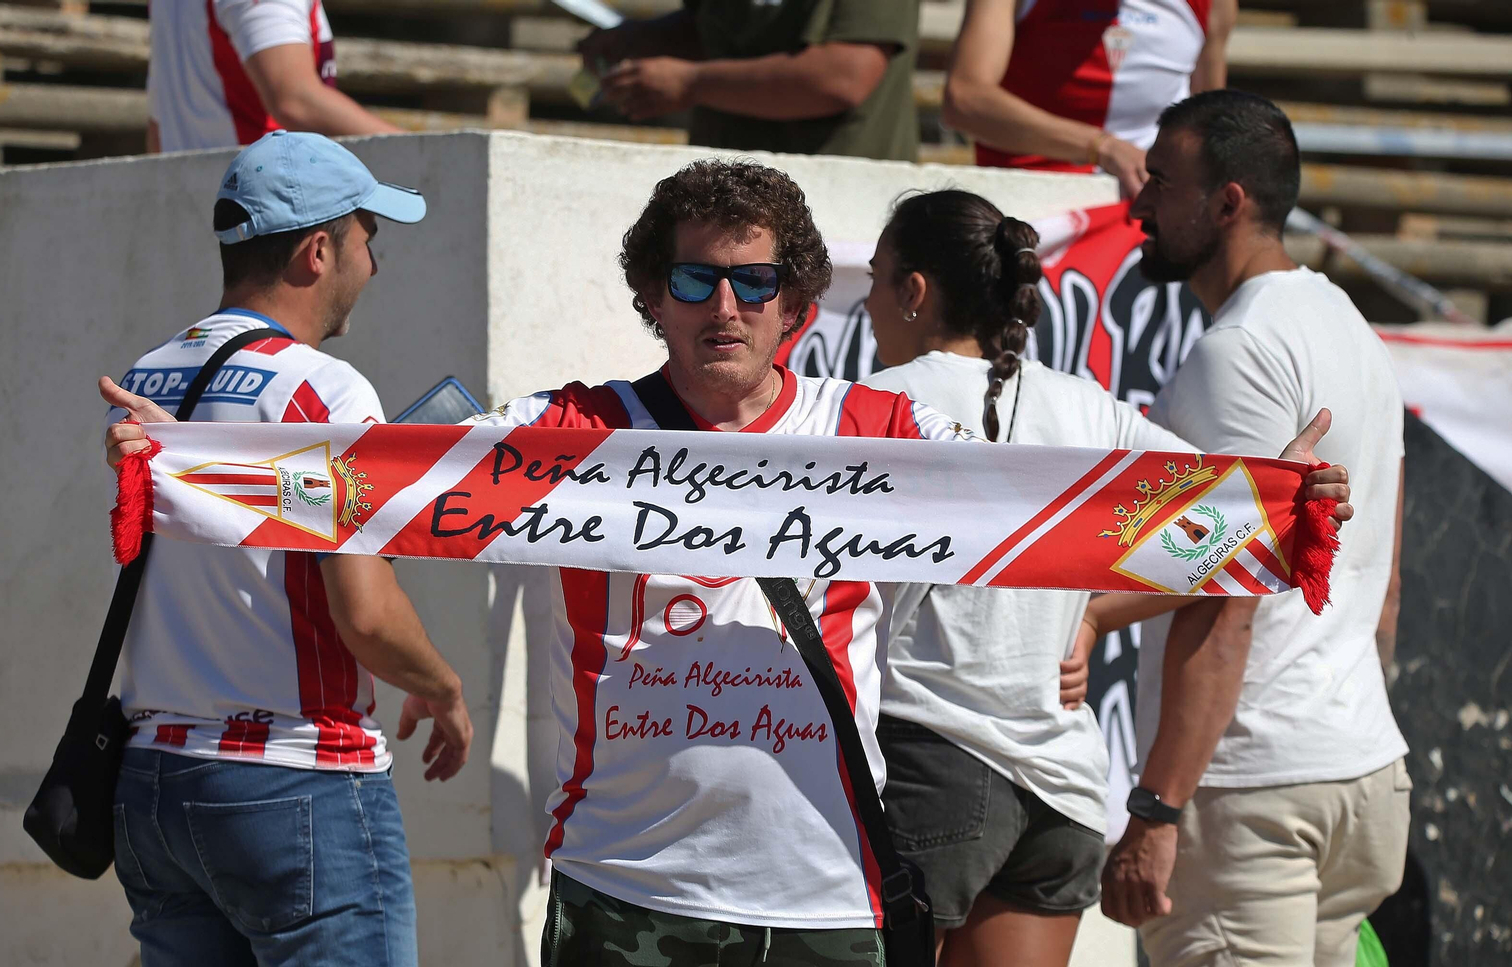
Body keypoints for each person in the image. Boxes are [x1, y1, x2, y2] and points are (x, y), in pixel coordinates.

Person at [104, 158, 1350, 967]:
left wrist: (1273, 507)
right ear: (652, 293)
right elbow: (380, 479)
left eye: (757, 282)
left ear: (800, 304)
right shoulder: (566, 432)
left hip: (830, 901)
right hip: (625, 894)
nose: (726, 304)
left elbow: (1065, 511)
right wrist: (194, 459)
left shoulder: (887, 432)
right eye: (695, 277)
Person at [858, 189, 1347, 967]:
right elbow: (1231, 532)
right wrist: (1290, 497)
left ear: (914, 291)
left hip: (932, 759)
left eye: (875, 279)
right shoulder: (1089, 409)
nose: (867, 305)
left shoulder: (874, 405)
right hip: (1064, 791)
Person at [97, 131, 471, 967]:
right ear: (317, 250)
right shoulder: (323, 389)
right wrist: (443, 687)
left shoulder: (149, 374)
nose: (375, 264)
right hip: (298, 779)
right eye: (369, 237)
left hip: (154, 778)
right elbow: (366, 616)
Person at [1089, 90, 1411, 967]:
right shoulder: (1348, 326)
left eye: (1161, 182)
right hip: (1357, 773)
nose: (1139, 205)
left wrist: (1156, 807)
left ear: (1227, 202)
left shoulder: (1239, 353)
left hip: (1253, 791)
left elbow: (1224, 597)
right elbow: (1382, 585)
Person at [942, 0, 1236, 197]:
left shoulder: (1215, 5)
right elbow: (964, 99)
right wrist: (1101, 147)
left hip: (1150, 210)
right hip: (1033, 203)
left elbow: (1207, 126)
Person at [577, 0, 920, 161]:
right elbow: (718, 26)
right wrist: (642, 38)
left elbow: (843, 74)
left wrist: (690, 83)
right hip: (726, 192)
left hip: (838, 200)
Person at [146, 0, 401, 153]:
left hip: (197, 209)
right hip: (267, 216)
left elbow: (159, 127)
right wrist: (427, 151)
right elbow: (294, 100)